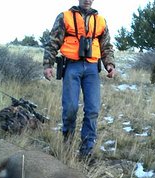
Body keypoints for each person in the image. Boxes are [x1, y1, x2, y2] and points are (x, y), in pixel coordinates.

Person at [43, 0, 115, 159]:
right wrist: (48, 64)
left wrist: (109, 64)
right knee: (70, 108)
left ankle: (86, 151)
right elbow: (53, 41)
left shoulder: (100, 20)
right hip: (71, 67)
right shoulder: (65, 16)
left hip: (92, 69)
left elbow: (106, 45)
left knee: (93, 110)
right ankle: (67, 144)